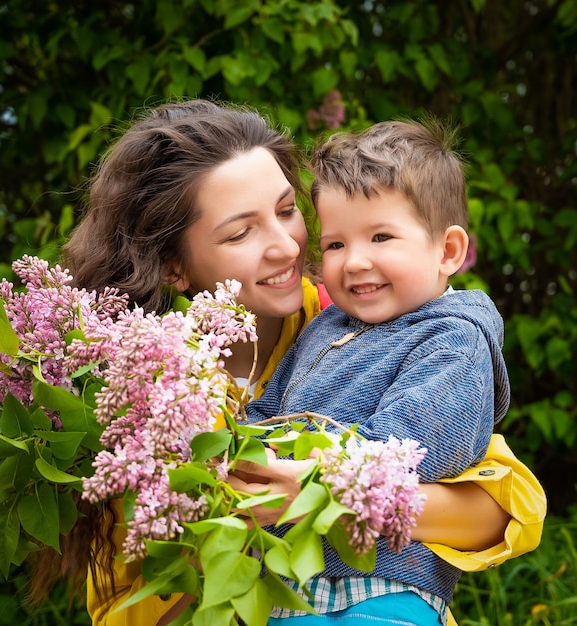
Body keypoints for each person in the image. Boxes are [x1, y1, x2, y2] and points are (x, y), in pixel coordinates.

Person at [37, 100, 545, 626]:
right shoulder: (139, 388)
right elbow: (131, 606)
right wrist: (223, 527)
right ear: (173, 267)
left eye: (286, 211)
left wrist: (325, 490)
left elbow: (505, 506)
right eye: (240, 233)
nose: (285, 247)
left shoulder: (360, 317)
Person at [243, 117, 513, 625]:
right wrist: (241, 450)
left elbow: (411, 450)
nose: (354, 262)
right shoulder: (326, 325)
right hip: (292, 587)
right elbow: (268, 410)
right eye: (336, 244)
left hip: (380, 590)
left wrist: (303, 474)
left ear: (449, 250)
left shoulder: (453, 337)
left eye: (381, 236)